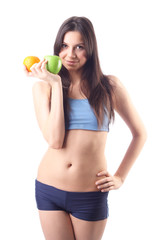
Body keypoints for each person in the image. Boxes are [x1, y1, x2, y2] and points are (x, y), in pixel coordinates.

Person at [24, 16, 147, 240]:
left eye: (79, 47)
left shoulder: (110, 87)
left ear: (90, 50)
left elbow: (140, 134)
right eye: (65, 46)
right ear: (57, 49)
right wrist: (55, 84)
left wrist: (120, 177)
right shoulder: (43, 89)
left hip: (89, 194)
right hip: (48, 188)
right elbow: (55, 141)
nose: (70, 54)